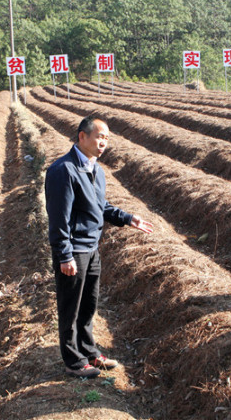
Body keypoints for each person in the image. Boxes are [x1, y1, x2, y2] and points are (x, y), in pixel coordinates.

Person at [45, 115, 153, 378]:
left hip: (92, 248)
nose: (103, 142)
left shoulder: (95, 169)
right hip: (75, 250)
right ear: (82, 136)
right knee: (70, 307)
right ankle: (73, 361)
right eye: (99, 136)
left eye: (107, 138)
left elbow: (99, 206)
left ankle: (90, 352)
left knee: (88, 305)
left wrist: (128, 218)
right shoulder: (64, 170)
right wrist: (64, 255)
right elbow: (59, 218)